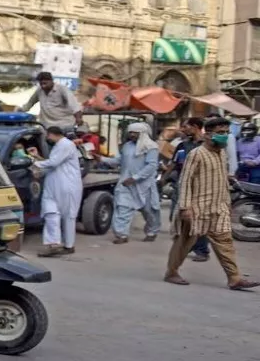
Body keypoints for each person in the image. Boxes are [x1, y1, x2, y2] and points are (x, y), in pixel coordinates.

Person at [165, 117, 260, 290]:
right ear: (207, 134)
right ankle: (172, 272)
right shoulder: (196, 154)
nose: (224, 136)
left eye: (226, 132)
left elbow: (223, 179)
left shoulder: (221, 153)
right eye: (220, 133)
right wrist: (186, 207)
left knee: (225, 241)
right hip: (196, 207)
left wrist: (227, 203)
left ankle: (234, 278)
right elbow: (185, 181)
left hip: (218, 206)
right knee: (184, 242)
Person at [33, 126, 83, 257]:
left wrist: (34, 163)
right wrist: (36, 157)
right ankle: (53, 244)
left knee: (68, 216)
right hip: (53, 186)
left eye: (47, 136)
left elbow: (54, 163)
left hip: (67, 186)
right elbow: (52, 164)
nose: (47, 139)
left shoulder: (66, 144)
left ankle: (69, 245)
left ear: (52, 134)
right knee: (50, 213)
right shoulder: (58, 146)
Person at [110, 122, 162, 243]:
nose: (132, 135)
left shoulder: (151, 147)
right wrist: (101, 159)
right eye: (130, 132)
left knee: (150, 211)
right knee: (122, 207)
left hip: (144, 185)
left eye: (135, 133)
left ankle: (152, 231)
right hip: (125, 183)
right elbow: (119, 160)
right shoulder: (127, 146)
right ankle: (122, 235)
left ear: (142, 134)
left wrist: (135, 178)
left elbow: (151, 166)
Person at [170, 118, 211, 262]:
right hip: (182, 185)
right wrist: (164, 178)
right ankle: (187, 247)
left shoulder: (207, 145)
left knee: (198, 219)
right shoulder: (182, 145)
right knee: (178, 218)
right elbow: (174, 163)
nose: (183, 129)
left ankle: (202, 251)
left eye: (186, 127)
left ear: (195, 127)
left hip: (201, 187)